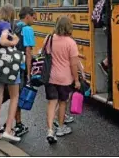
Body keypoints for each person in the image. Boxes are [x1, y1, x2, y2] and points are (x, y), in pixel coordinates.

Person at [44, 16, 85, 144]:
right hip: (65, 78)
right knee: (62, 103)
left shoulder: (49, 38)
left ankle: (50, 130)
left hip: (50, 76)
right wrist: (77, 80)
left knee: (51, 103)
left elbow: (45, 54)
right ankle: (61, 128)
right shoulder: (70, 43)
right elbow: (73, 64)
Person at [0, 3, 21, 143]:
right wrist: (14, 42)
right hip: (9, 65)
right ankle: (8, 130)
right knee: (14, 96)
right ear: (10, 14)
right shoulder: (5, 25)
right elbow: (3, 40)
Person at [11, 7, 36, 137]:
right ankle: (17, 124)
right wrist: (28, 72)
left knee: (11, 96)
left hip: (8, 66)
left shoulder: (13, 26)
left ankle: (12, 123)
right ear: (27, 16)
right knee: (18, 97)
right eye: (33, 16)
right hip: (20, 67)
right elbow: (28, 52)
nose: (34, 19)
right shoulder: (27, 29)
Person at [92, 0, 108, 74]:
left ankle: (105, 63)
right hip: (105, 27)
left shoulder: (99, 3)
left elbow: (94, 17)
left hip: (102, 27)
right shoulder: (106, 1)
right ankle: (105, 63)